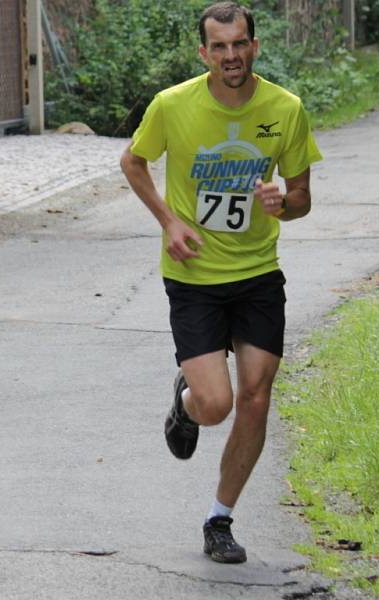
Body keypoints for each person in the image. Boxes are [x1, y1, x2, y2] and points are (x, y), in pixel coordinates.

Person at [120, 2, 321, 563]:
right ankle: (186, 404)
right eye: (220, 47)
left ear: (254, 46)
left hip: (257, 273)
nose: (231, 56)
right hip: (194, 275)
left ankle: (220, 518)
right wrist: (169, 221)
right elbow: (133, 163)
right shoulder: (173, 105)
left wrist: (285, 203)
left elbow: (303, 198)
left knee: (255, 398)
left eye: (240, 45)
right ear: (203, 52)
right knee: (217, 404)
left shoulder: (286, 109)